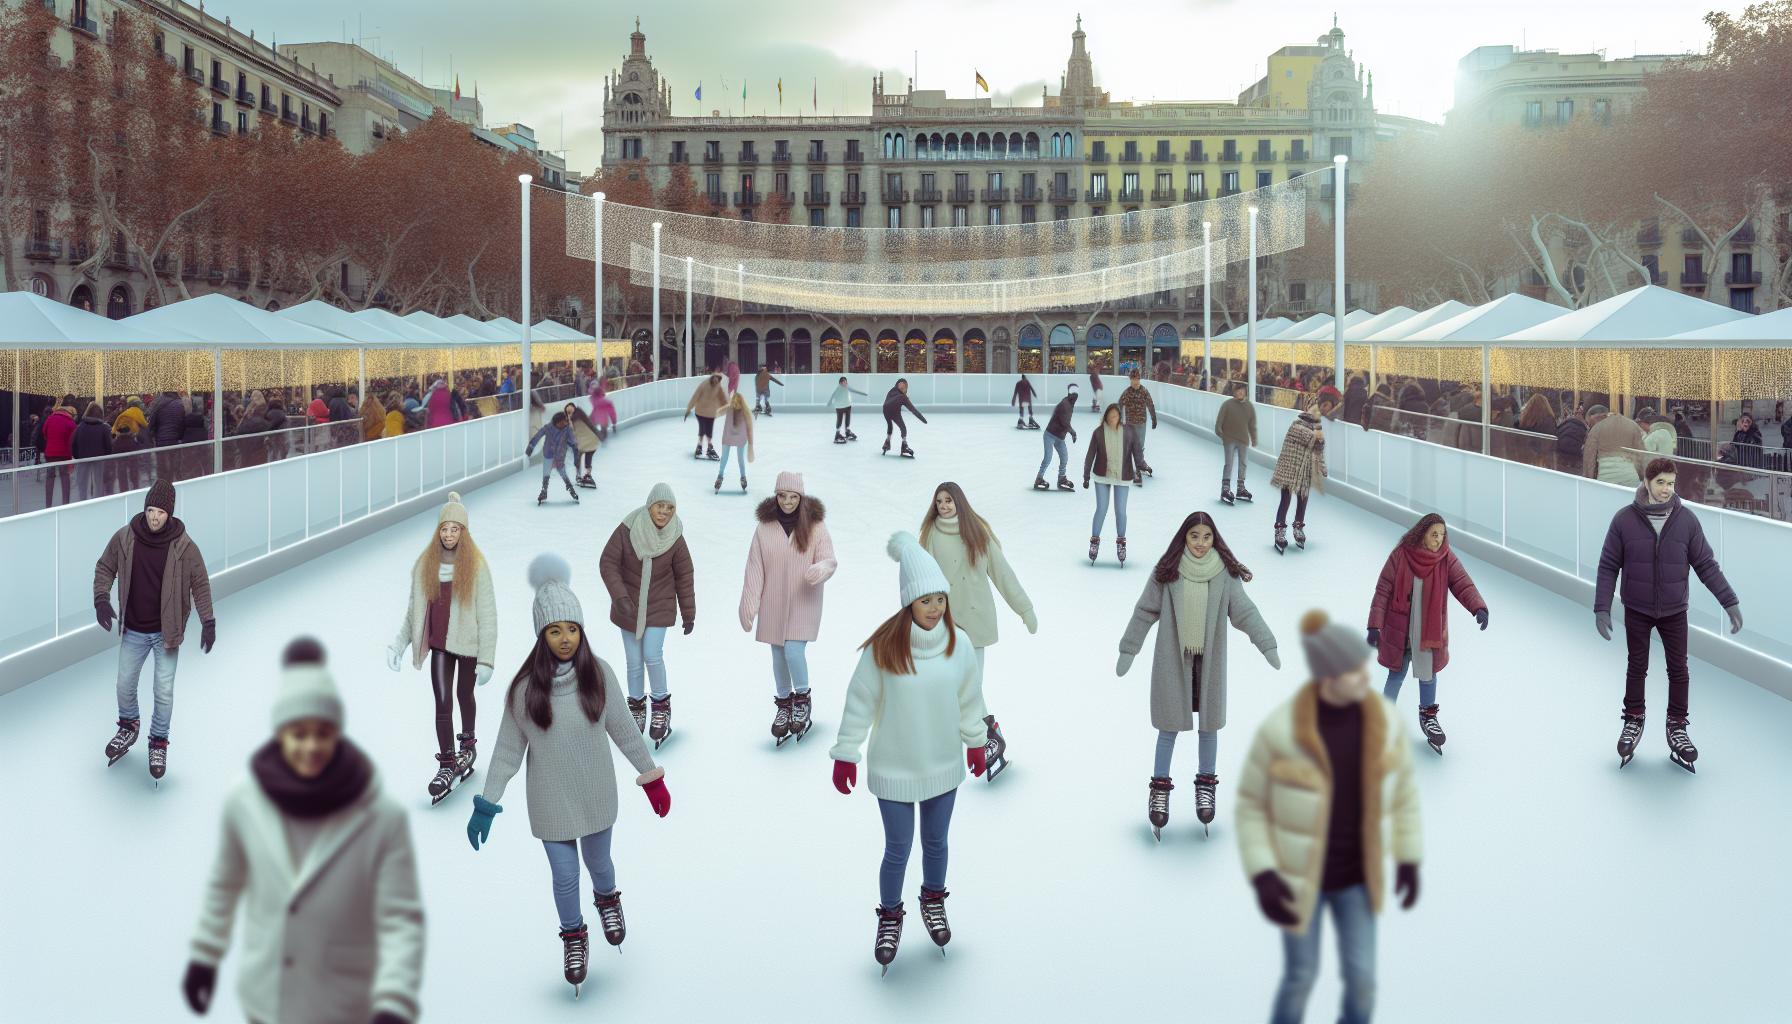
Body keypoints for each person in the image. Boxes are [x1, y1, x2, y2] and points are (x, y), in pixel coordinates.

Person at [183, 637, 423, 1024]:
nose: (311, 746)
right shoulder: (244, 800)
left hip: (342, 1006)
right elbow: (225, 882)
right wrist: (205, 955)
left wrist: (394, 1001)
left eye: (323, 733)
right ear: (281, 734)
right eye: (299, 733)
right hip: (266, 1000)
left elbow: (400, 919)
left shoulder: (382, 816)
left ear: (337, 734)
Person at [466, 555, 671, 997]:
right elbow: (507, 752)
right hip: (551, 800)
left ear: (582, 631)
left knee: (598, 864)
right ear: (541, 635)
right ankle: (574, 935)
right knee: (564, 875)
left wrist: (651, 777)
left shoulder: (600, 675)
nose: (565, 639)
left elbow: (625, 730)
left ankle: (608, 899)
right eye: (555, 630)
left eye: (572, 629)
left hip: (595, 793)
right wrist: (487, 803)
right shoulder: (525, 690)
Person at [1237, 609, 1422, 1024]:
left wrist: (1408, 858)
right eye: (1355, 670)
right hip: (1300, 880)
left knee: (1362, 981)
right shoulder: (1283, 730)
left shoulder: (1383, 724)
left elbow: (1404, 795)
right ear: (1329, 677)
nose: (1365, 677)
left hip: (1357, 880)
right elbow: (1251, 804)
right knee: (1300, 977)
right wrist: (1264, 873)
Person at [829, 532, 989, 973]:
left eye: (940, 599)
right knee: (897, 848)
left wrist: (976, 741)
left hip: (942, 764)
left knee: (936, 843)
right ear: (908, 603)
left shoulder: (958, 645)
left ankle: (933, 899)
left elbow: (970, 699)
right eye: (925, 600)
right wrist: (846, 751)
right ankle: (890, 915)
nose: (935, 608)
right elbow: (859, 701)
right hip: (895, 768)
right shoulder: (884, 649)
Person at [1117, 511, 1279, 838]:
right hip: (1173, 661)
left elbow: (1245, 612)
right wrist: (1129, 648)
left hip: (1209, 663)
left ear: (1214, 538)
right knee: (1168, 727)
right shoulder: (1167, 571)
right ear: (1184, 538)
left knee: (1209, 727)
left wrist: (1267, 644)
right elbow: (1144, 610)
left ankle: (1206, 785)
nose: (1201, 544)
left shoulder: (1224, 574)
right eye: (1194, 537)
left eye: (1207, 537)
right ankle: (1159, 790)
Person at [1595, 458, 1743, 773]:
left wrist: (1729, 601)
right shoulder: (1624, 520)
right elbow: (1608, 565)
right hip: (1637, 607)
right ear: (1647, 482)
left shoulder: (1686, 521)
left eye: (1671, 483)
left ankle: (1677, 725)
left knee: (1679, 670)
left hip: (1674, 609)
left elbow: (1705, 565)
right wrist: (1601, 607)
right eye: (1661, 482)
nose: (1666, 489)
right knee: (1637, 666)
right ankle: (1633, 718)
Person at [93, 479, 216, 781]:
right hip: (134, 629)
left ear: (169, 514)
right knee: (124, 684)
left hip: (166, 633)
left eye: (160, 512)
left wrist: (208, 621)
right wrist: (101, 599)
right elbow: (105, 566)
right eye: (150, 510)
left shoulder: (184, 546)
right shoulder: (126, 537)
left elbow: (200, 584)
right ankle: (128, 725)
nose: (154, 517)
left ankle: (158, 741)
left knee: (163, 691)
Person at [919, 482, 1035, 783]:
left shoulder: (977, 532)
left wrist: (1024, 608)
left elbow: (1002, 573)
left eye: (948, 500)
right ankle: (987, 737)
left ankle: (988, 739)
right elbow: (920, 581)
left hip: (975, 619)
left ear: (959, 501)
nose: (944, 506)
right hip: (945, 622)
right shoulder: (931, 535)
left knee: (969, 685)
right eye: (939, 502)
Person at [386, 491, 498, 802]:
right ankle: (447, 763)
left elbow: (488, 615)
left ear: (464, 532)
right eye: (444, 529)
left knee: (464, 694)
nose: (448, 534)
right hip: (439, 645)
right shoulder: (426, 564)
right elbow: (414, 612)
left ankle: (468, 745)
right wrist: (398, 645)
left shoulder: (476, 566)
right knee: (442, 701)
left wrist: (487, 659)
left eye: (455, 529)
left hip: (468, 645)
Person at [1366, 513, 1489, 755]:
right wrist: (1374, 626)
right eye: (1434, 534)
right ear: (1422, 533)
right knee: (1396, 675)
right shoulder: (1401, 554)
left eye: (1442, 535)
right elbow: (1383, 589)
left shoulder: (1445, 558)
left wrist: (1478, 607)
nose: (1438, 539)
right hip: (1401, 630)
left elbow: (1462, 582)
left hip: (1428, 632)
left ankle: (1428, 716)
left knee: (1428, 675)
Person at [739, 471, 837, 745]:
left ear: (801, 497)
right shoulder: (764, 528)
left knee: (793, 650)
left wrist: (821, 568)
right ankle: (784, 704)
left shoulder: (816, 526)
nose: (787, 502)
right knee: (778, 654)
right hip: (773, 601)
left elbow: (829, 559)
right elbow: (755, 568)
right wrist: (749, 603)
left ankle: (802, 700)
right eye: (783, 496)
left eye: (793, 496)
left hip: (804, 599)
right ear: (776, 495)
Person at [599, 483, 696, 746]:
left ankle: (661, 707)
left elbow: (684, 576)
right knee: (633, 660)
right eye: (659, 506)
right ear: (649, 505)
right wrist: (620, 597)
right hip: (629, 605)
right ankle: (636, 707)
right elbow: (608, 562)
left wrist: (688, 613)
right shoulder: (628, 528)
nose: (664, 512)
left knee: (652, 654)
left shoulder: (675, 536)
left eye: (669, 508)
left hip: (659, 605)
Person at [1269, 393, 1332, 554]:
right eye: (1313, 408)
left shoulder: (1317, 429)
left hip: (1304, 470)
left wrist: (1322, 467)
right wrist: (1318, 439)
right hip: (1289, 468)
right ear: (1307, 408)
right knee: (1285, 498)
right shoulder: (1296, 425)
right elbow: (1311, 440)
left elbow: (1318, 450)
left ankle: (1298, 526)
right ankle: (1280, 529)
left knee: (1303, 498)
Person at [1082, 403, 1138, 565]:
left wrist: (1142, 465)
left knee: (1121, 511)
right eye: (1110, 416)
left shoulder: (1128, 432)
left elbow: (1137, 451)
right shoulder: (1098, 433)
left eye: (1116, 416)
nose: (1113, 418)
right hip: (1102, 476)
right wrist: (1086, 475)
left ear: (1120, 417)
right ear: (1106, 416)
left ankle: (1121, 543)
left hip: (1122, 476)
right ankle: (1094, 542)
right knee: (1101, 508)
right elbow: (1090, 455)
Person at [1215, 380, 1257, 505]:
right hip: (1229, 439)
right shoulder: (1227, 405)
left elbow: (1252, 425)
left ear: (1245, 392)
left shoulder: (1249, 406)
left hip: (1243, 440)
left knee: (1243, 463)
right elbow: (1218, 423)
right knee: (1229, 463)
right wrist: (1222, 435)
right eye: (1238, 391)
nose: (1240, 393)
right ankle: (1225, 489)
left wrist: (1254, 438)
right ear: (1234, 392)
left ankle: (1240, 488)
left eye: (1242, 390)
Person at [525, 411, 580, 505]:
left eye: (566, 421)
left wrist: (576, 453)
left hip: (560, 454)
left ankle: (571, 489)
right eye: (563, 421)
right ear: (558, 422)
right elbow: (538, 436)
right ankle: (544, 491)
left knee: (562, 472)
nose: (565, 423)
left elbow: (573, 442)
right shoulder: (548, 428)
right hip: (548, 453)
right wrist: (530, 447)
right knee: (546, 473)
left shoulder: (567, 429)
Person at [1581, 404, 1645, 486]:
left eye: (1590, 423)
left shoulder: (1596, 429)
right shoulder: (1633, 425)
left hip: (1607, 478)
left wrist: (1588, 481)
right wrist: (1642, 476)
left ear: (1597, 417)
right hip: (1630, 476)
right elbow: (1641, 455)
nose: (1589, 426)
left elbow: (1589, 458)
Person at [1034, 383, 1079, 491]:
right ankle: (1039, 478)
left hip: (1060, 438)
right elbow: (1065, 423)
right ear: (1069, 393)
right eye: (1073, 392)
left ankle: (1061, 478)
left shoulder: (1070, 403)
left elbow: (1066, 422)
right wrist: (1072, 432)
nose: (1075, 395)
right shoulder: (1064, 404)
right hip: (1050, 435)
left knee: (1064, 457)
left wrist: (1070, 431)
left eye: (1076, 393)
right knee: (1048, 458)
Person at [1118, 368, 1158, 479]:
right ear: (1130, 380)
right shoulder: (1127, 392)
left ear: (1139, 379)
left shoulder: (1144, 391)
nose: (1135, 382)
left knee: (1140, 445)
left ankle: (1140, 463)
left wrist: (1154, 418)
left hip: (1141, 423)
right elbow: (1120, 405)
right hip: (1130, 424)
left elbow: (1150, 404)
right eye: (1133, 379)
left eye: (1137, 379)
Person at [715, 390, 755, 494]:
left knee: (733, 458)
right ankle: (725, 476)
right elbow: (718, 413)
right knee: (729, 458)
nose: (735, 404)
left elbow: (750, 429)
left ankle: (738, 476)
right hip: (732, 437)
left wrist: (751, 445)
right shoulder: (732, 409)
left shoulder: (742, 411)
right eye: (734, 401)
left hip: (735, 438)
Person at [682, 371, 728, 461]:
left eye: (718, 379)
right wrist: (688, 410)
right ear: (712, 377)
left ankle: (709, 448)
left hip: (711, 413)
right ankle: (700, 447)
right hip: (700, 412)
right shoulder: (704, 384)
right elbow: (695, 396)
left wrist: (728, 407)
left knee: (709, 431)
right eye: (715, 378)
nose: (716, 381)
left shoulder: (718, 386)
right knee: (702, 430)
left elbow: (723, 398)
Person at [71, 401, 112, 502]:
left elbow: (74, 444)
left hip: (83, 459)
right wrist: (107, 456)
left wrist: (77, 456)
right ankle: (98, 502)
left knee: (82, 483)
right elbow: (108, 445)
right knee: (99, 482)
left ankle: (83, 501)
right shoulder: (104, 428)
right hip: (100, 459)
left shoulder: (80, 427)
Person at [39, 397, 76, 506]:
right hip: (64, 454)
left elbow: (44, 433)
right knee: (65, 477)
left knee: (50, 477)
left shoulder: (50, 418)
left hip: (50, 453)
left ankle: (48, 505)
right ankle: (65, 503)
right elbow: (73, 440)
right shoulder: (70, 422)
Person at [882, 378, 927, 457]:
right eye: (900, 384)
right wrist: (923, 419)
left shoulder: (901, 396)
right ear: (897, 385)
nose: (902, 386)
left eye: (904, 385)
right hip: (887, 409)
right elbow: (913, 410)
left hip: (890, 410)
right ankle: (899, 444)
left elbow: (913, 410)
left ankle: (892, 442)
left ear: (906, 389)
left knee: (900, 427)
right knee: (894, 426)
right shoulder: (899, 395)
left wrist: (923, 419)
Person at [564, 402, 601, 488]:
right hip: (581, 442)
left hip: (589, 440)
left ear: (574, 408)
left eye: (571, 408)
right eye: (567, 411)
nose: (569, 411)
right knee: (578, 458)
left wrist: (598, 434)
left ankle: (587, 475)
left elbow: (588, 422)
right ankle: (579, 476)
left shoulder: (579, 412)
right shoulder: (569, 420)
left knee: (588, 455)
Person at [828, 375, 868, 443]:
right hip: (840, 407)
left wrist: (863, 393)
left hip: (847, 406)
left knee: (848, 419)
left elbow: (854, 391)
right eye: (843, 382)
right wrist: (830, 402)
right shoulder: (838, 388)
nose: (845, 383)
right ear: (840, 383)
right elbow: (833, 395)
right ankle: (837, 435)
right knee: (839, 420)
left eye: (846, 382)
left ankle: (847, 431)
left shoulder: (847, 387)